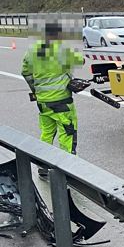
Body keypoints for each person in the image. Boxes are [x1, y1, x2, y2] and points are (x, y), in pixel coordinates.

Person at [21, 22, 84, 177]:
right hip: (62, 101)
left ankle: (42, 167)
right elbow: (80, 61)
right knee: (67, 134)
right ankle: (68, 169)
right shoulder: (62, 50)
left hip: (43, 102)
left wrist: (35, 90)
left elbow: (25, 73)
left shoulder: (32, 51)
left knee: (47, 133)